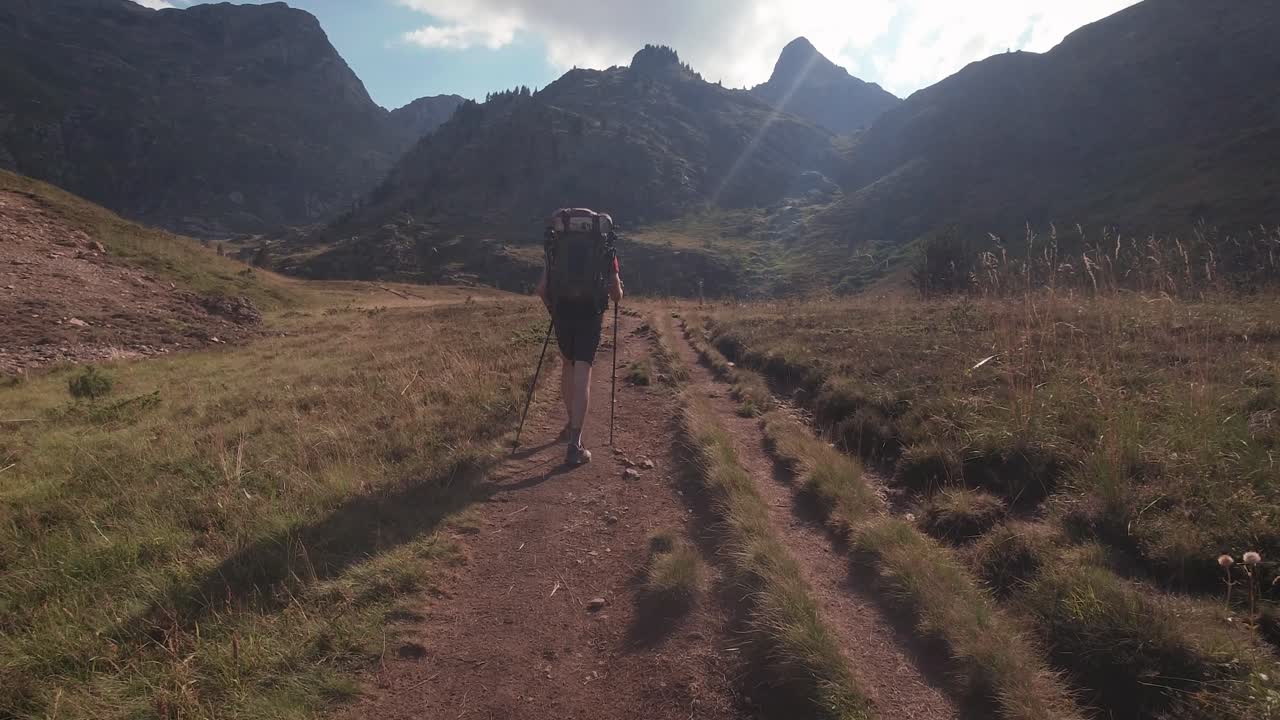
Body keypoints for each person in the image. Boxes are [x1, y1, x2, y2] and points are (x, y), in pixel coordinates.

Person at [537, 210, 624, 466]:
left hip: (563, 311)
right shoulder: (604, 247)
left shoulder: (556, 247)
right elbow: (616, 293)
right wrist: (618, 293)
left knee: (567, 365)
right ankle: (575, 444)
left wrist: (554, 310)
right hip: (590, 313)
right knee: (583, 371)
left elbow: (541, 289)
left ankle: (570, 422)